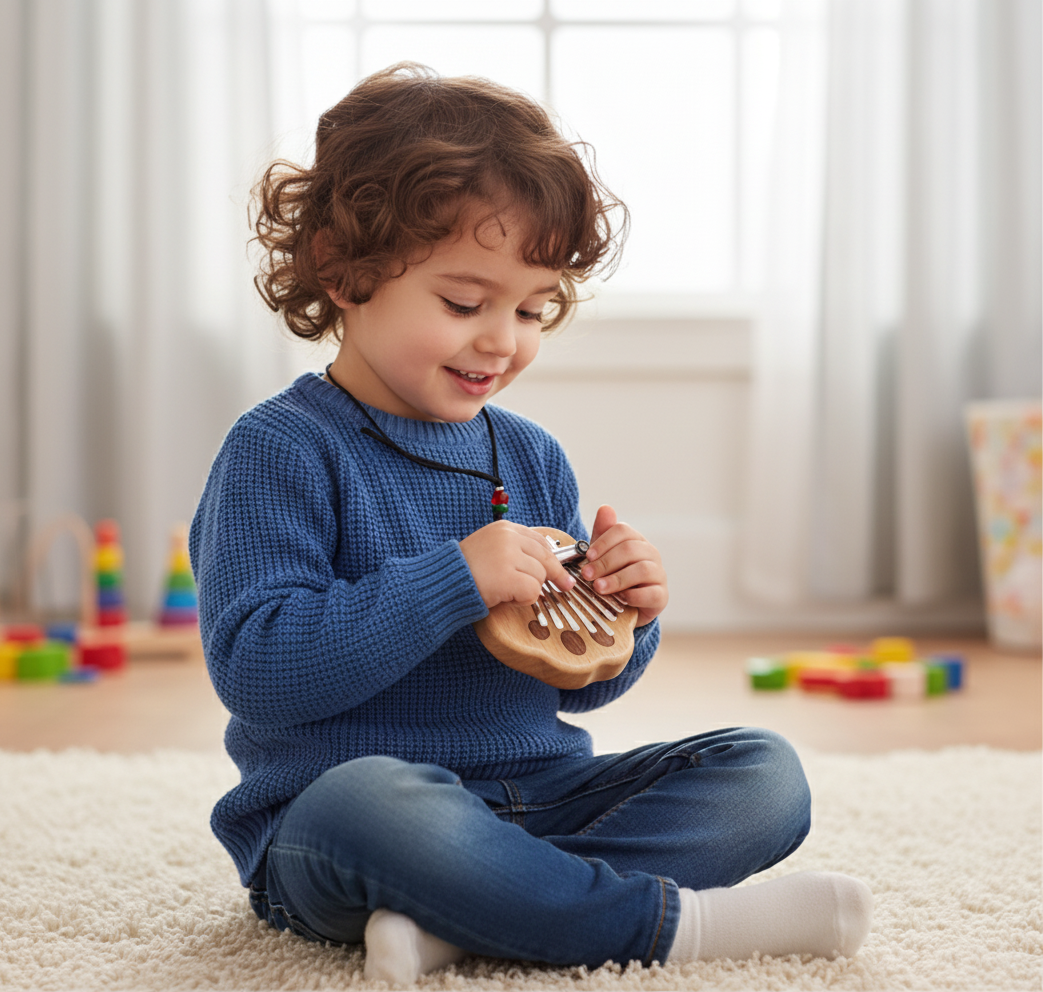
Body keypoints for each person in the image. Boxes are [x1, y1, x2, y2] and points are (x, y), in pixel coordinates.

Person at [190, 62, 872, 985]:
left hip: (541, 794)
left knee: (763, 776)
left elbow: (576, 688)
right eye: (464, 304)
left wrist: (623, 616)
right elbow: (261, 672)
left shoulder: (531, 455)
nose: (502, 340)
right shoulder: (281, 449)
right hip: (346, 818)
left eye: (531, 308)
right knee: (371, 803)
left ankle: (474, 916)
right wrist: (453, 579)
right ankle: (664, 926)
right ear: (340, 272)